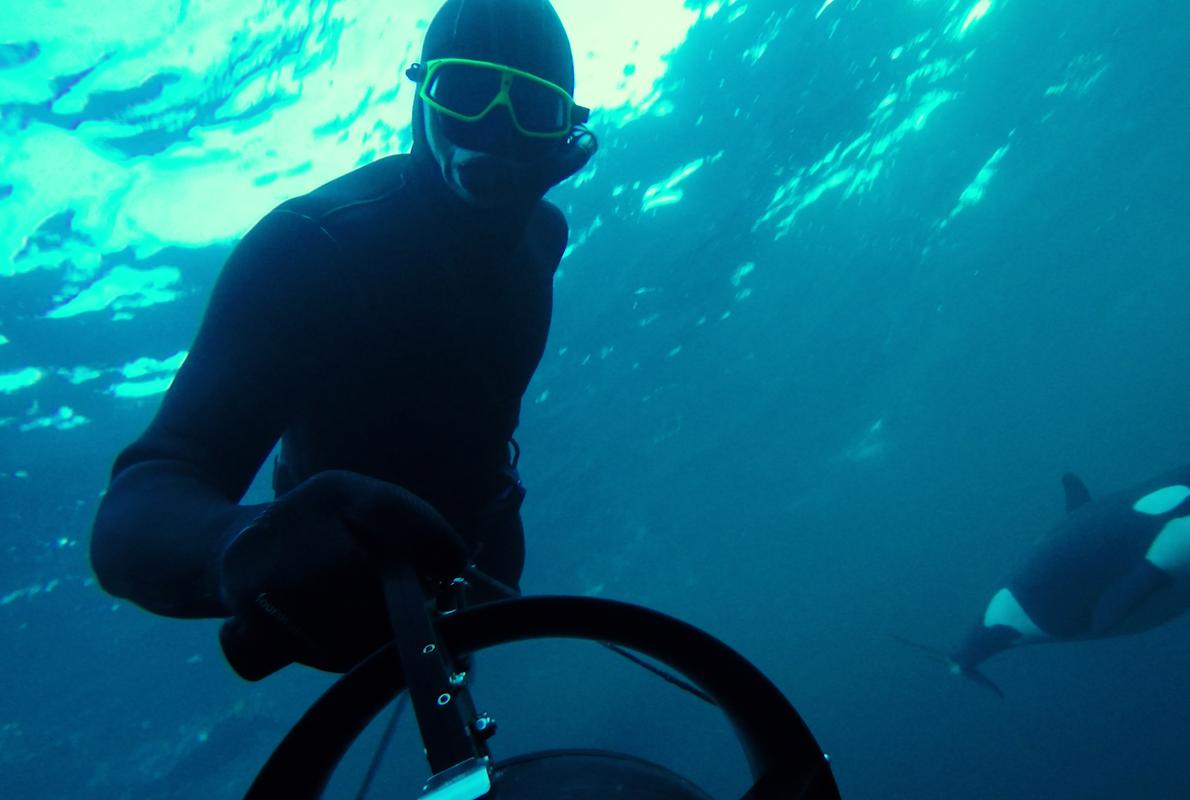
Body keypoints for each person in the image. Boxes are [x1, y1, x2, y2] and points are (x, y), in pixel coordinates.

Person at [89, 0, 597, 680]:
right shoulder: (310, 251)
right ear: (421, 93)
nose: (497, 133)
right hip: (338, 589)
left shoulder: (545, 236)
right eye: (467, 93)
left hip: (484, 556)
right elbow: (135, 508)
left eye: (533, 108)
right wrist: (244, 548)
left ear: (565, 132)